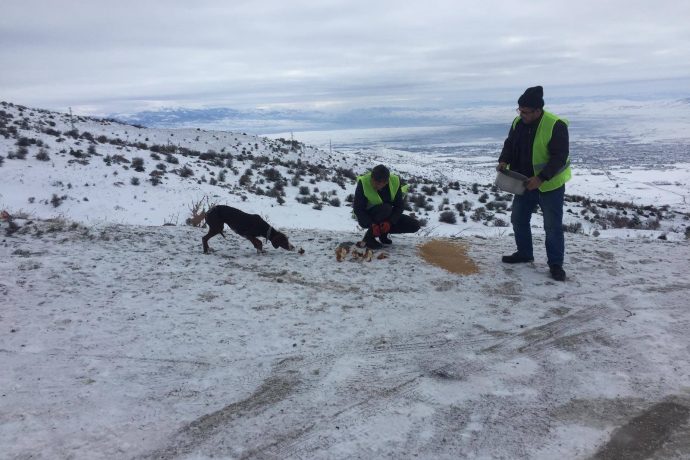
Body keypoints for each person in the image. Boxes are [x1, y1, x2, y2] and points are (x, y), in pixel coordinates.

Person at [497, 86, 571, 281]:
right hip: (524, 182)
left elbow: (559, 157)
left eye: (526, 112)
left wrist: (541, 178)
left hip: (549, 185)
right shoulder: (518, 122)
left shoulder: (555, 125)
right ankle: (524, 253)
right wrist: (503, 160)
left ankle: (555, 264)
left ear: (538, 110)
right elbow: (510, 144)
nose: (521, 115)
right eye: (519, 110)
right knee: (518, 219)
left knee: (552, 226)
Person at [353, 164, 420, 249]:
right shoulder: (363, 182)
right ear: (372, 178)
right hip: (367, 217)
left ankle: (383, 233)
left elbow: (399, 206)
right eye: (374, 182)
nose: (376, 186)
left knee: (415, 225)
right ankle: (369, 238)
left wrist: (390, 222)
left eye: (380, 183)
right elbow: (358, 209)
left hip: (386, 215)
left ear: (386, 181)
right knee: (386, 208)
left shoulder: (395, 181)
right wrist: (372, 224)